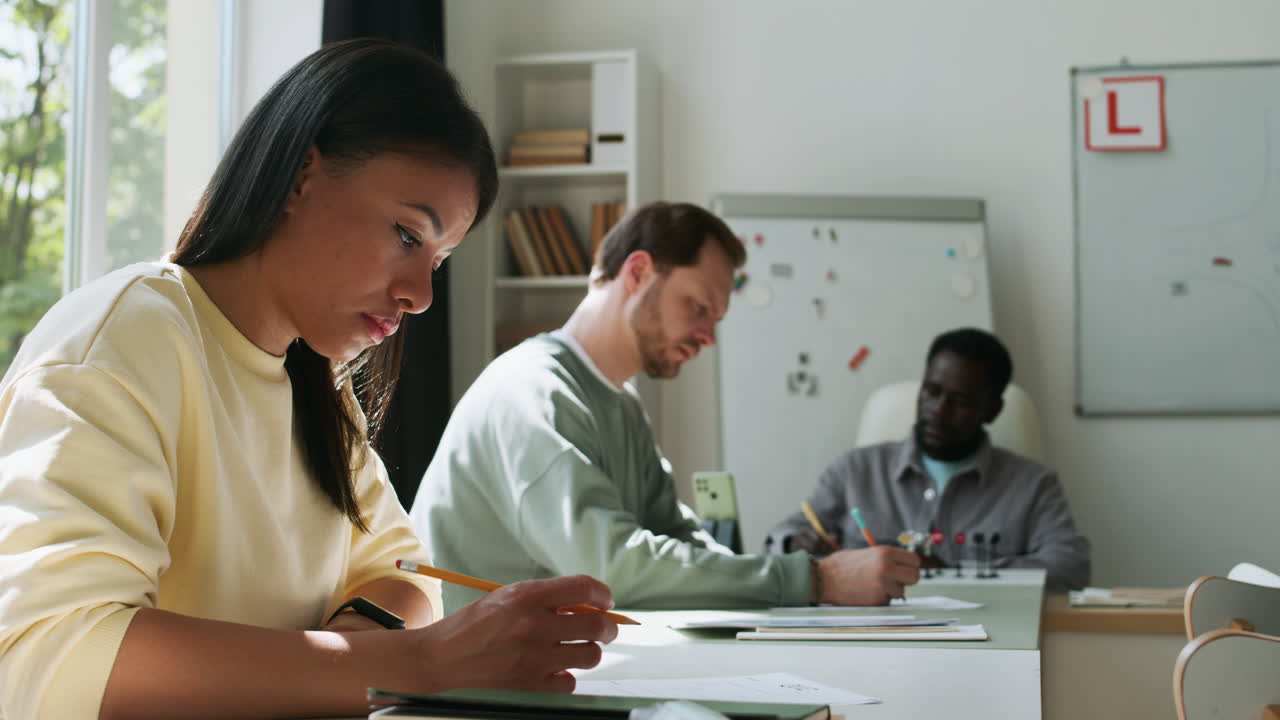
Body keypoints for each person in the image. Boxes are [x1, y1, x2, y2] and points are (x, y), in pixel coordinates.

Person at [0, 39, 618, 720]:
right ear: (301, 175)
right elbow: (56, 662)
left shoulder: (317, 388)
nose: (420, 295)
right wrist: (406, 663)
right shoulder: (125, 339)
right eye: (410, 235)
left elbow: (407, 579)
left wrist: (348, 656)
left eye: (437, 262)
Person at [410, 202, 921, 615]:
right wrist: (814, 579)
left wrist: (797, 580)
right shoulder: (532, 392)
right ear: (638, 273)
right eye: (699, 307)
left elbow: (678, 539)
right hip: (476, 692)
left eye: (716, 318)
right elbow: (612, 569)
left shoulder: (620, 404)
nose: (708, 336)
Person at [763, 328, 1091, 592]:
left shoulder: (1033, 485)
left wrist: (953, 573)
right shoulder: (854, 471)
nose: (939, 411)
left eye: (959, 401)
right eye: (932, 392)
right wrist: (795, 542)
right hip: (866, 638)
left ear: (992, 410)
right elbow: (779, 540)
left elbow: (1070, 568)